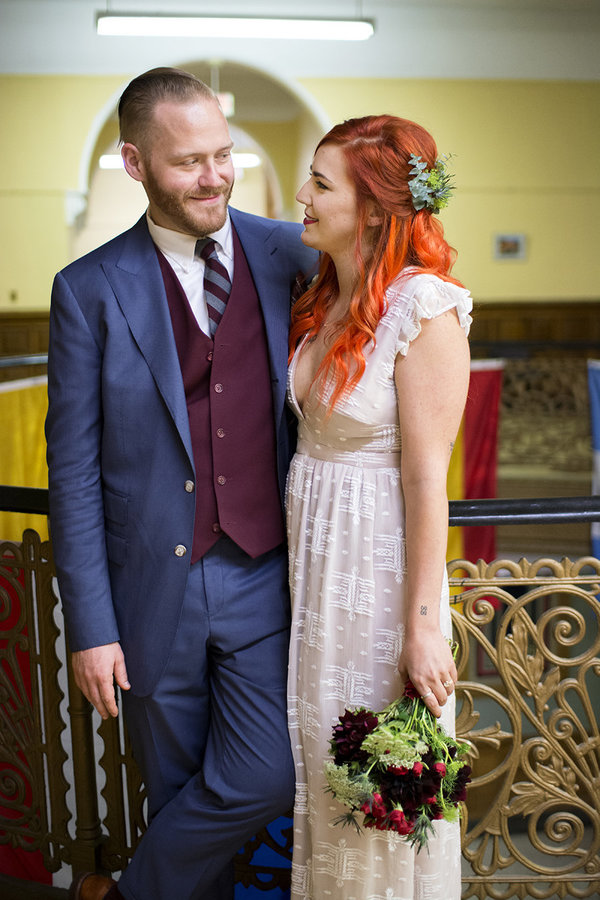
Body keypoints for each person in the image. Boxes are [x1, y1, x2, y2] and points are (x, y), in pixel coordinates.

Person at [45, 67, 318, 900]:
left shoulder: (292, 255)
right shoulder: (87, 290)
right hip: (151, 587)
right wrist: (90, 629)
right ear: (135, 163)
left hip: (263, 573)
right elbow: (74, 473)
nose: (214, 177)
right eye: (188, 162)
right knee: (174, 792)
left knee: (268, 777)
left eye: (223, 153)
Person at [286, 115, 472, 899]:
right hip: (315, 578)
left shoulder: (423, 306)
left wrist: (422, 625)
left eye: (320, 184)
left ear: (372, 207)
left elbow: (429, 479)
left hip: (379, 577)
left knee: (377, 792)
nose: (301, 196)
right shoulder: (326, 293)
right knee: (325, 785)